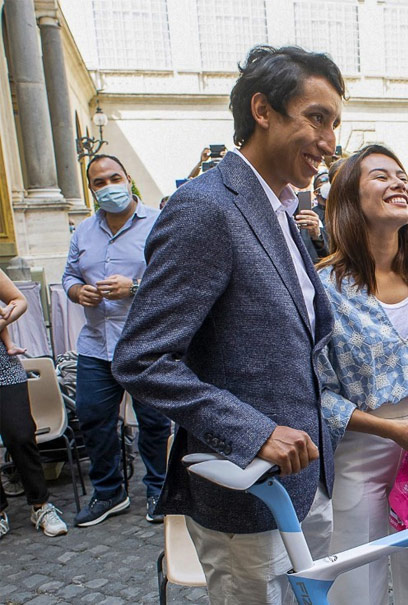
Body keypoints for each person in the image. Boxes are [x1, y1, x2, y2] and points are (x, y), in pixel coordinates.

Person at [112, 45, 345, 604]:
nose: (330, 142)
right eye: (316, 119)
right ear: (262, 110)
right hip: (247, 497)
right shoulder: (206, 207)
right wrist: (254, 432)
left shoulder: (283, 209)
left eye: (336, 124)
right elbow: (141, 360)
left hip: (307, 484)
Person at [316, 144, 408, 605]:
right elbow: (317, 392)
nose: (399, 183)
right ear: (349, 199)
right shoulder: (324, 288)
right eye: (381, 176)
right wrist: (386, 429)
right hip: (358, 452)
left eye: (402, 176)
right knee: (354, 583)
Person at [62, 154, 171, 528]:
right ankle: (110, 492)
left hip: (145, 344)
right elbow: (69, 276)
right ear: (91, 190)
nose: (108, 187)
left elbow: (175, 281)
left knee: (154, 422)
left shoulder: (158, 224)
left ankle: (159, 488)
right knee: (93, 417)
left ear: (128, 178)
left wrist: (134, 287)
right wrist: (78, 292)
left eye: (114, 178)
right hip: (95, 344)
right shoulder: (83, 232)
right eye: (99, 183)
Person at [0, 270, 68, 540]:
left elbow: (18, 301)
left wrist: (6, 316)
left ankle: (40, 505)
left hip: (3, 367)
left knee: (21, 433)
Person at [296, 171, 329, 262]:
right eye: (324, 180)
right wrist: (317, 236)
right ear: (316, 192)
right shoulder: (310, 215)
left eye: (330, 180)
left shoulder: (339, 214)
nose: (328, 184)